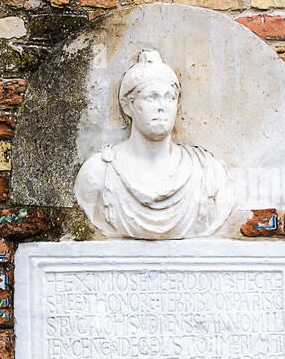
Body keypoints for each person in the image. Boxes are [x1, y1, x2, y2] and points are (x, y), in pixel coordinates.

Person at [74, 49, 230, 240]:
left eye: (169, 97)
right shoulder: (98, 173)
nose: (162, 106)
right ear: (128, 105)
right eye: (151, 97)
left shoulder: (208, 173)